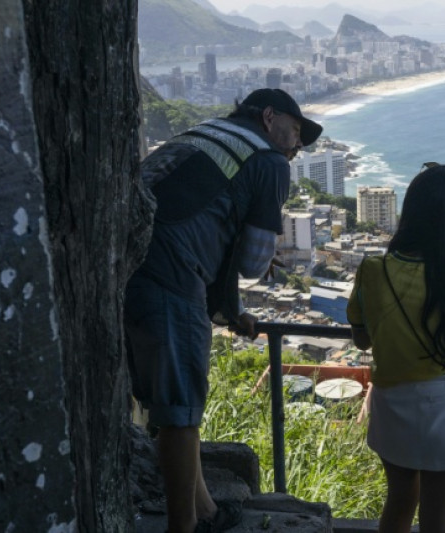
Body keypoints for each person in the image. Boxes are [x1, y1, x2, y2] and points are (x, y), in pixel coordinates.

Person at [124, 88, 322, 533]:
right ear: (269, 117)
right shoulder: (267, 160)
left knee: (171, 403)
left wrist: (226, 310)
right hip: (169, 278)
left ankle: (205, 512)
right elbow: (251, 261)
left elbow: (200, 221)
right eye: (294, 132)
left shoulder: (199, 136)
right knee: (179, 410)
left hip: (126, 267)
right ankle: (183, 527)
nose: (295, 148)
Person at [346, 163, 445, 533]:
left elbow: (362, 338)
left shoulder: (373, 271)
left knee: (398, 501)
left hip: (393, 402)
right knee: (438, 520)